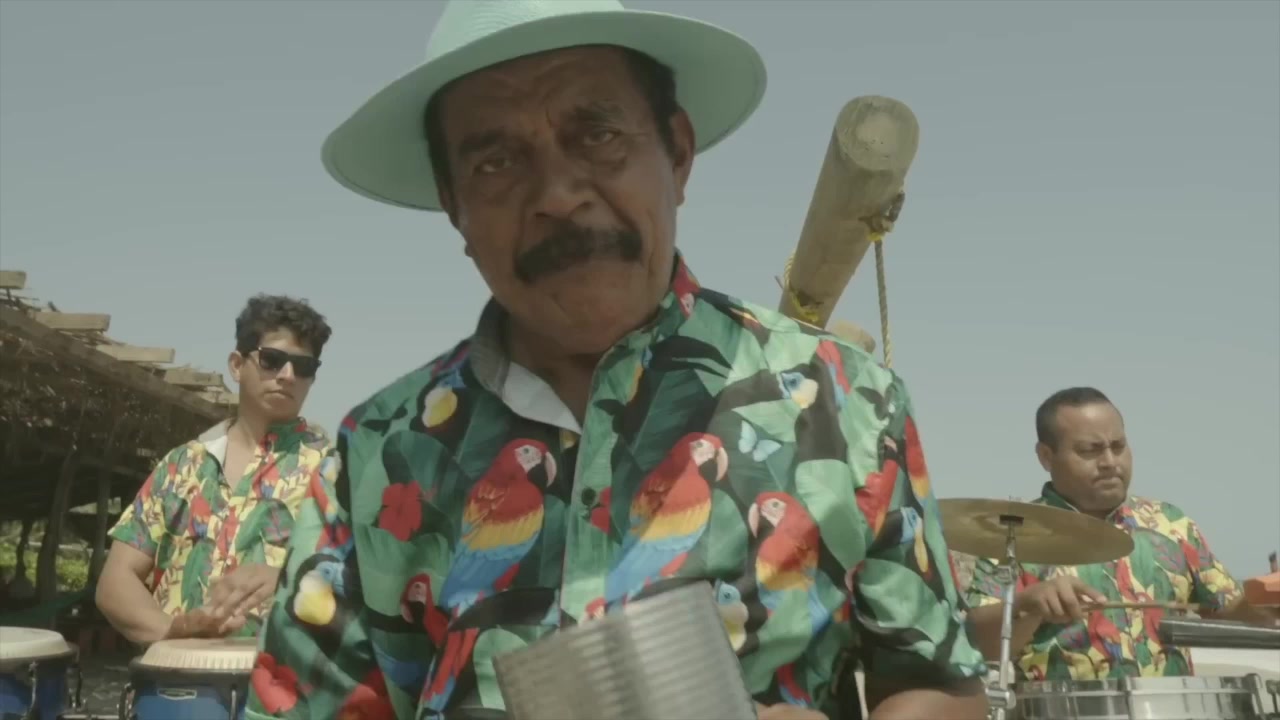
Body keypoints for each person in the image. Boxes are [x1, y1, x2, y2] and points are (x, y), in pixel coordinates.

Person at [246, 2, 989, 719]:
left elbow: (943, 686)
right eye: (496, 161)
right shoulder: (377, 454)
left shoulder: (848, 402)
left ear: (678, 154)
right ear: (454, 207)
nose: (559, 195)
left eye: (598, 134)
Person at [965, 386, 1277, 681]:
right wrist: (1026, 606)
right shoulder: (1010, 535)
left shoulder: (1171, 523)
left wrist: (1268, 600)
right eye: (1090, 450)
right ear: (1046, 456)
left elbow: (1230, 612)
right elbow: (974, 645)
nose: (1110, 462)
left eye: (1118, 447)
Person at [96, 294, 334, 645]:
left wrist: (291, 580)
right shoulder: (181, 466)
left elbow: (373, 586)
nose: (287, 376)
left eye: (304, 366)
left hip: (282, 678)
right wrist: (173, 631)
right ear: (237, 365)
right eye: (272, 360)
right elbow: (115, 581)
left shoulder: (334, 472)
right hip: (175, 675)